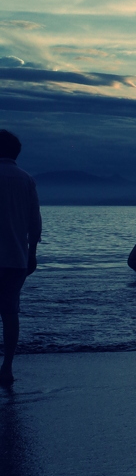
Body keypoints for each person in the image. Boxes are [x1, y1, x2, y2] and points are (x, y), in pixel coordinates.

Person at [0, 129, 42, 389]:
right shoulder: (26, 179)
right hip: (16, 257)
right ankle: (7, 367)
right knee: (10, 312)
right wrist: (32, 253)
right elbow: (34, 222)